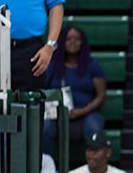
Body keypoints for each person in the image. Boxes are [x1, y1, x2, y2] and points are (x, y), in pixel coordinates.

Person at [41, 25, 105, 155]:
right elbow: (43, 92)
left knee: (94, 127)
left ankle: (92, 167)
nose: (73, 42)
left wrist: (82, 111)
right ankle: (49, 169)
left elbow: (101, 96)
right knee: (45, 129)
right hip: (57, 115)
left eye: (77, 39)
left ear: (83, 42)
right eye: (68, 39)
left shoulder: (92, 65)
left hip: (86, 113)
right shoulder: (52, 66)